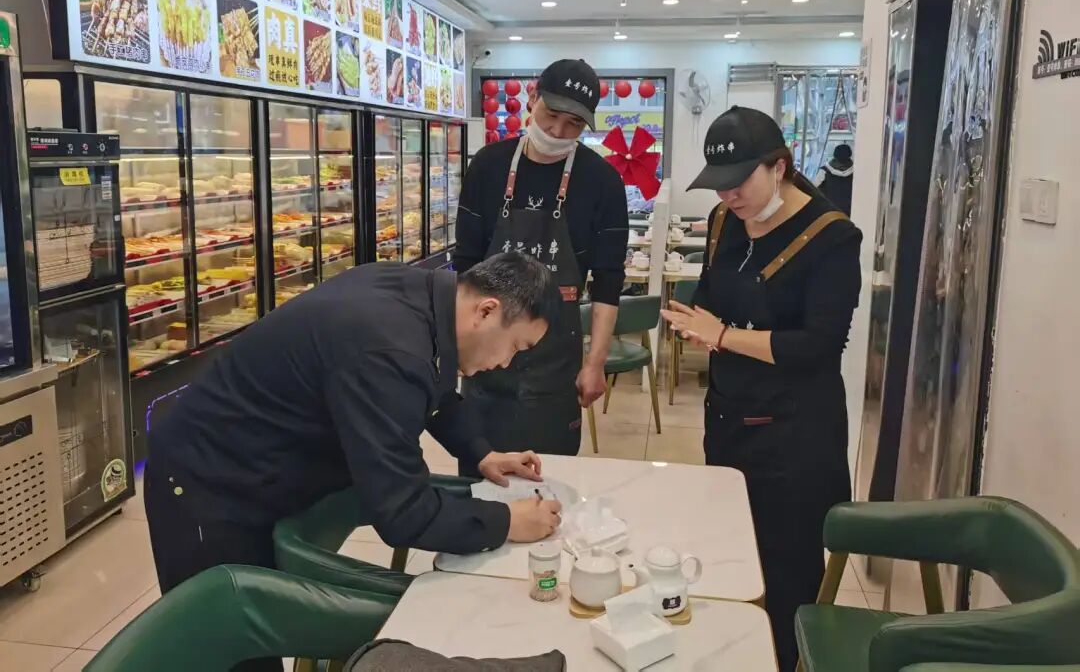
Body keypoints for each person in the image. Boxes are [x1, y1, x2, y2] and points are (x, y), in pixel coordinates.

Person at [144, 253, 565, 666]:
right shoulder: (388, 343)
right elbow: (403, 511)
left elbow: (430, 386)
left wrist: (482, 452)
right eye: (515, 346)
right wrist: (507, 522)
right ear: (486, 311)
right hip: (206, 479)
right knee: (229, 647)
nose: (506, 362)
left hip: (265, 467)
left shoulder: (422, 299)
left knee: (256, 634)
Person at [661, 106, 861, 672]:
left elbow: (818, 345)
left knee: (787, 569)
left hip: (794, 435)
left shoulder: (832, 237)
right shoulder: (725, 220)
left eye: (739, 182)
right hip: (729, 415)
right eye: (719, 185)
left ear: (779, 167)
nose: (728, 196)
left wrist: (724, 335)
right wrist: (699, 323)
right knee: (730, 554)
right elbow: (710, 293)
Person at [454, 59, 629, 463]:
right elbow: (465, 265)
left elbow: (608, 282)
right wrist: (456, 346)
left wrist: (596, 363)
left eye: (574, 124)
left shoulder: (602, 181)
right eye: (551, 115)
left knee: (550, 476)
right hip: (484, 352)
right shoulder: (488, 166)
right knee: (480, 473)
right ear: (532, 98)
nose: (557, 131)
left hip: (556, 361)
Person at [814, 142, 854, 215]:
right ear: (850, 154)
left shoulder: (824, 171)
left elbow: (814, 188)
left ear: (835, 155)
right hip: (850, 212)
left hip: (829, 211)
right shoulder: (856, 172)